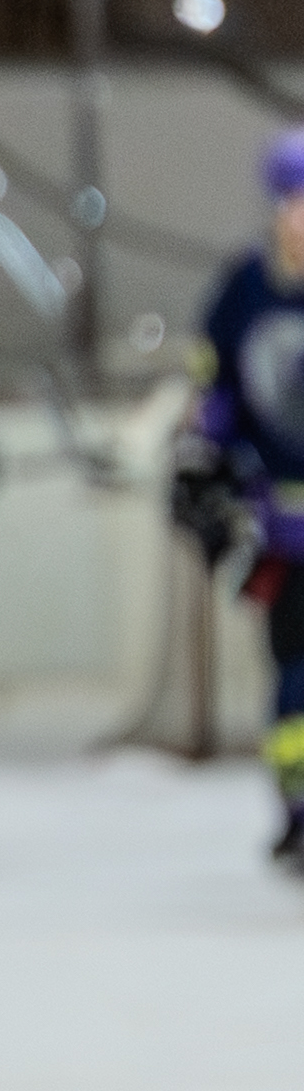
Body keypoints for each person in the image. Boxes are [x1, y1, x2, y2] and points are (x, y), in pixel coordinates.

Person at [163, 127, 304, 873]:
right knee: (295, 671)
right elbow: (215, 393)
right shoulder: (243, 288)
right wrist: (201, 459)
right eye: (295, 203)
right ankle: (297, 809)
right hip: (284, 524)